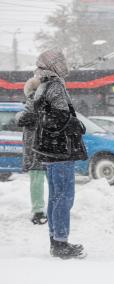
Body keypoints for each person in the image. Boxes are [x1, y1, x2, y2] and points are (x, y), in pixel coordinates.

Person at [32, 47, 88, 259]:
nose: (65, 63)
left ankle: (55, 240)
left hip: (49, 151)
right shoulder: (55, 86)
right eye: (61, 60)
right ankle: (61, 243)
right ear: (54, 64)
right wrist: (74, 123)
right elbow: (56, 118)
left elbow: (43, 117)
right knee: (64, 197)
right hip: (60, 151)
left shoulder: (43, 85)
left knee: (56, 197)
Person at [15, 77, 47, 225]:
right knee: (49, 180)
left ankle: (38, 211)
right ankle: (49, 210)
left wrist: (19, 115)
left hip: (36, 149)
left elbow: (22, 119)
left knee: (37, 180)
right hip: (47, 148)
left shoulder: (33, 102)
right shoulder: (48, 103)